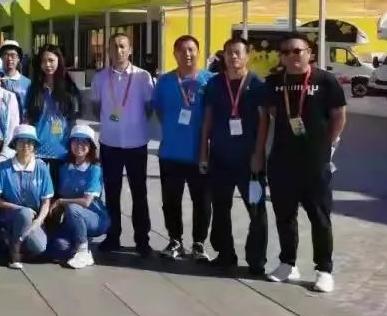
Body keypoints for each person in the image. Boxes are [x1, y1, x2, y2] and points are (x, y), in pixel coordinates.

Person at [262, 32, 346, 293]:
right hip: (282, 160)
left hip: (315, 162)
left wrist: (328, 145)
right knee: (285, 216)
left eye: (297, 51)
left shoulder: (325, 80)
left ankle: (324, 270)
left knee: (319, 216)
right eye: (285, 52)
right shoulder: (274, 82)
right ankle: (288, 263)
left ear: (309, 53)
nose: (291, 56)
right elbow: (271, 114)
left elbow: (338, 115)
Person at [199, 37, 269, 275]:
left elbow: (264, 121)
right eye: (229, 52)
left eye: (238, 52)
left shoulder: (257, 84)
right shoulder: (215, 83)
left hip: (249, 160)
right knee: (220, 208)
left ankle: (256, 259)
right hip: (220, 158)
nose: (233, 57)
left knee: (256, 209)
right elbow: (207, 120)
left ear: (247, 56)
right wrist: (204, 153)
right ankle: (225, 254)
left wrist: (258, 154)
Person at [88, 33, 155, 256]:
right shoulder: (100, 78)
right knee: (112, 193)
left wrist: (132, 122)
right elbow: (96, 108)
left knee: (139, 193)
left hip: (136, 143)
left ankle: (142, 240)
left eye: (123, 46)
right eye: (114, 47)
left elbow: (149, 108)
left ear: (130, 49)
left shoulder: (143, 77)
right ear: (108, 50)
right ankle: (113, 236)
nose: (119, 51)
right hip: (110, 143)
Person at [151, 35, 212, 260]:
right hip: (170, 152)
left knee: (202, 202)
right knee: (171, 201)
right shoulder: (165, 81)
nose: (187, 54)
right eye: (182, 50)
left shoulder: (210, 81)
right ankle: (175, 240)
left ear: (198, 52)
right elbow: (159, 111)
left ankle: (199, 243)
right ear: (174, 53)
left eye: (191, 49)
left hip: (200, 153)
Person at [51, 125, 110, 270]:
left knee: (73, 208)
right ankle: (81, 244)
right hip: (71, 218)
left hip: (95, 218)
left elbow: (86, 202)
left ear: (91, 146)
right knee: (58, 246)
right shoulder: (64, 167)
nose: (79, 145)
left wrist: (61, 201)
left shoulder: (94, 169)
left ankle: (83, 250)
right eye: (76, 141)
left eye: (84, 142)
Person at [0, 125, 54, 269]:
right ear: (15, 144)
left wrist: (39, 220)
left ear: (34, 145)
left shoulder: (42, 168)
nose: (25, 145)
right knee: (25, 213)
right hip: (8, 217)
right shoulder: (3, 168)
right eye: (21, 141)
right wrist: (19, 208)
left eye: (30, 142)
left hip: (33, 219)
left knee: (40, 247)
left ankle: (14, 242)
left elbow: (46, 202)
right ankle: (14, 250)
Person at [25, 44, 81, 187]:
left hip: (62, 148)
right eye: (44, 61)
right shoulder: (34, 88)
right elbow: (29, 118)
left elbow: (73, 119)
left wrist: (74, 146)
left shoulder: (69, 88)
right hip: (38, 149)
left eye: (51, 60)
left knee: (59, 189)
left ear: (59, 61)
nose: (47, 65)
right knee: (39, 189)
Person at [0, 40, 31, 122]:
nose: (9, 58)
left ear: (18, 58)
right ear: (0, 58)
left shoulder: (27, 83)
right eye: (5, 55)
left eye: (13, 55)